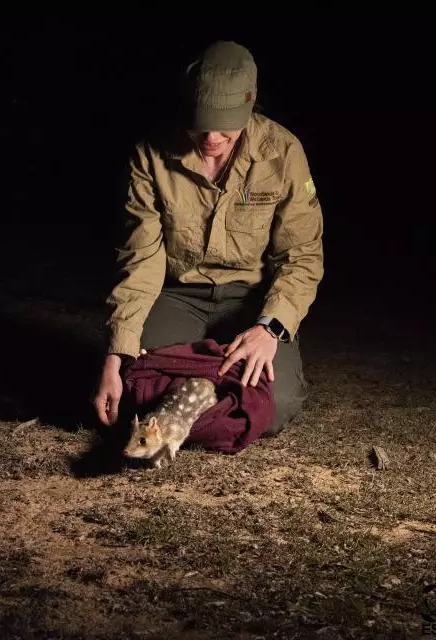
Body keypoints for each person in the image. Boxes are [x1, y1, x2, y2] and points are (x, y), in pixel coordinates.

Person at [92, 40, 324, 437]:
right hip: (179, 296)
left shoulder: (283, 152)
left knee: (277, 404)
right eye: (201, 125)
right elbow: (141, 261)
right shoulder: (151, 155)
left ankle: (199, 388)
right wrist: (115, 355)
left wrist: (269, 329)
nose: (211, 138)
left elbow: (301, 255)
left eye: (225, 127)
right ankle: (211, 388)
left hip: (252, 301)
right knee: (133, 386)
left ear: (250, 109)